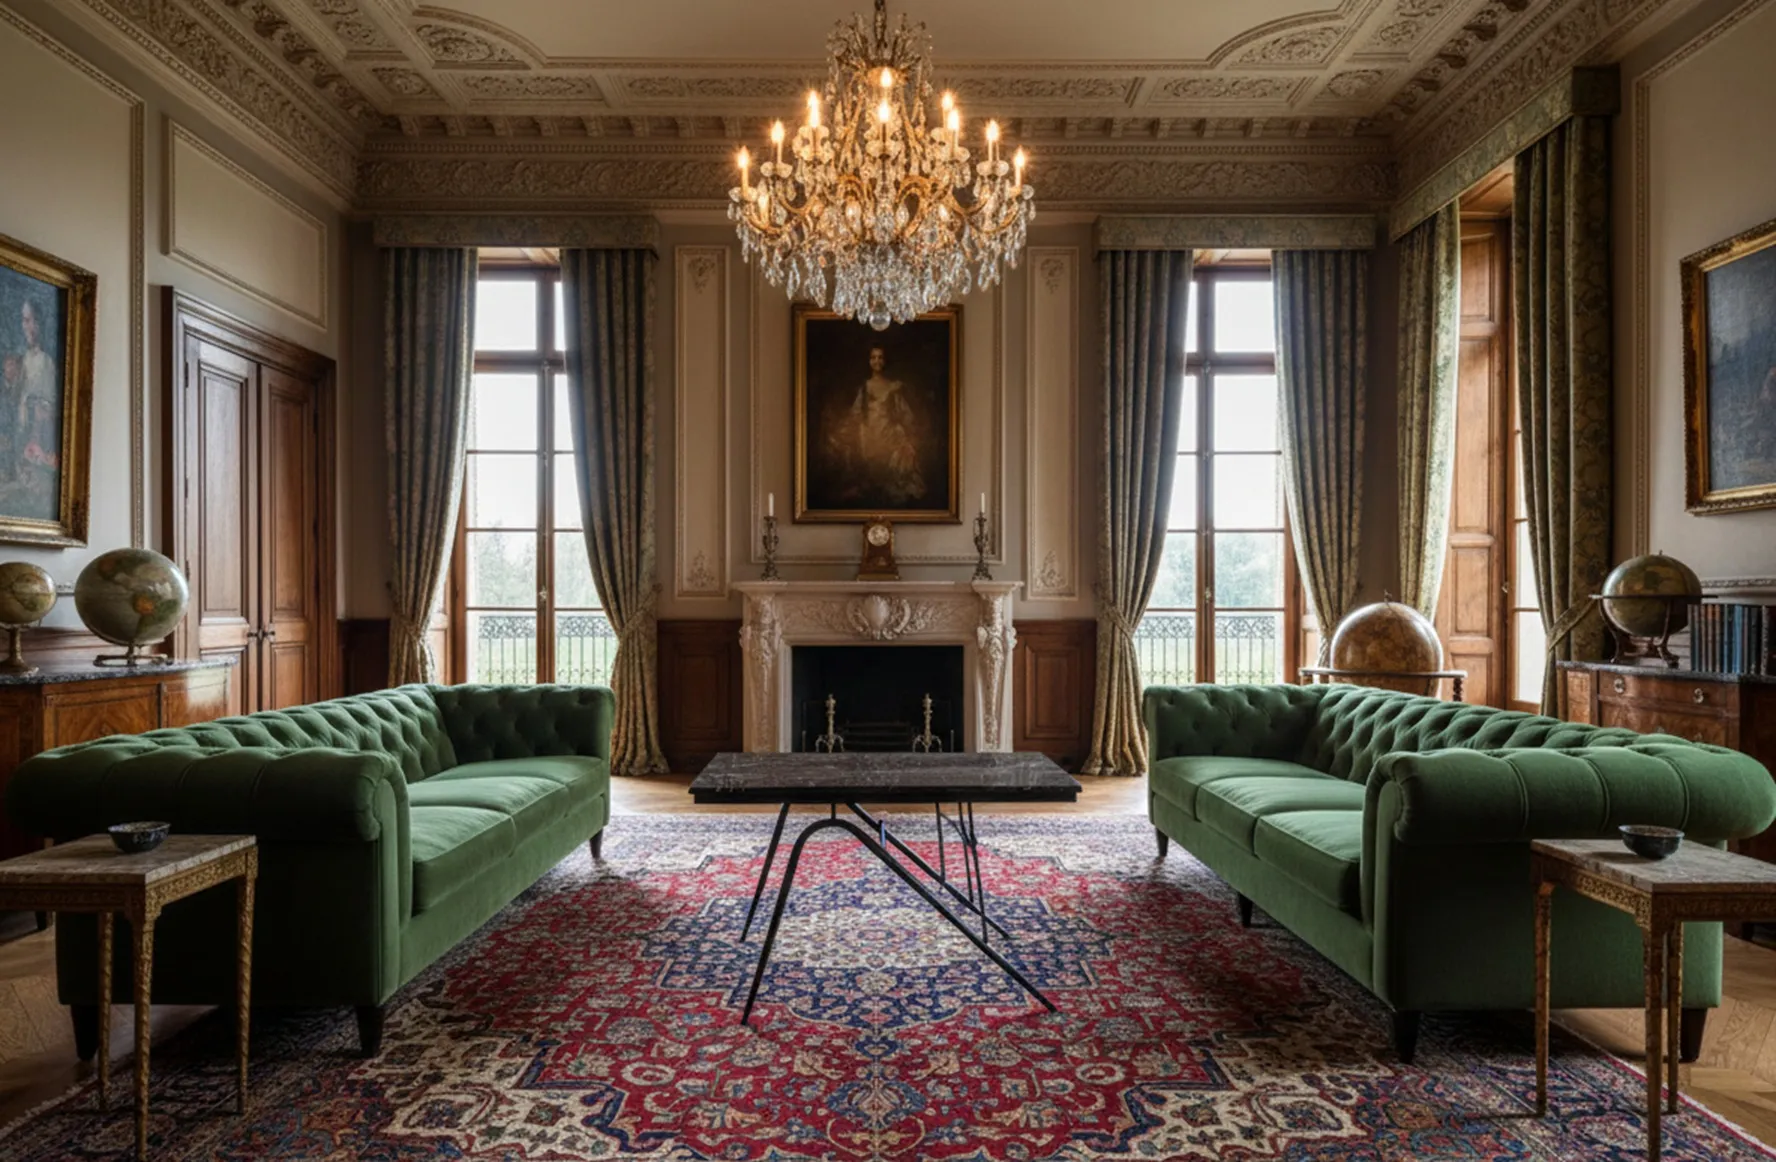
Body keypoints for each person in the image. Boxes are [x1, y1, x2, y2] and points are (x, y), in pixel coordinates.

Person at [829, 345, 925, 506]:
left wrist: (908, 431)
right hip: (869, 433)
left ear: (885, 361)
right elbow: (856, 412)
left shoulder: (893, 387)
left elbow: (904, 412)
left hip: (888, 433)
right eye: (873, 357)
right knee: (867, 471)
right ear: (869, 361)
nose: (877, 361)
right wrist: (845, 429)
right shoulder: (864, 387)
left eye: (880, 357)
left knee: (896, 468)